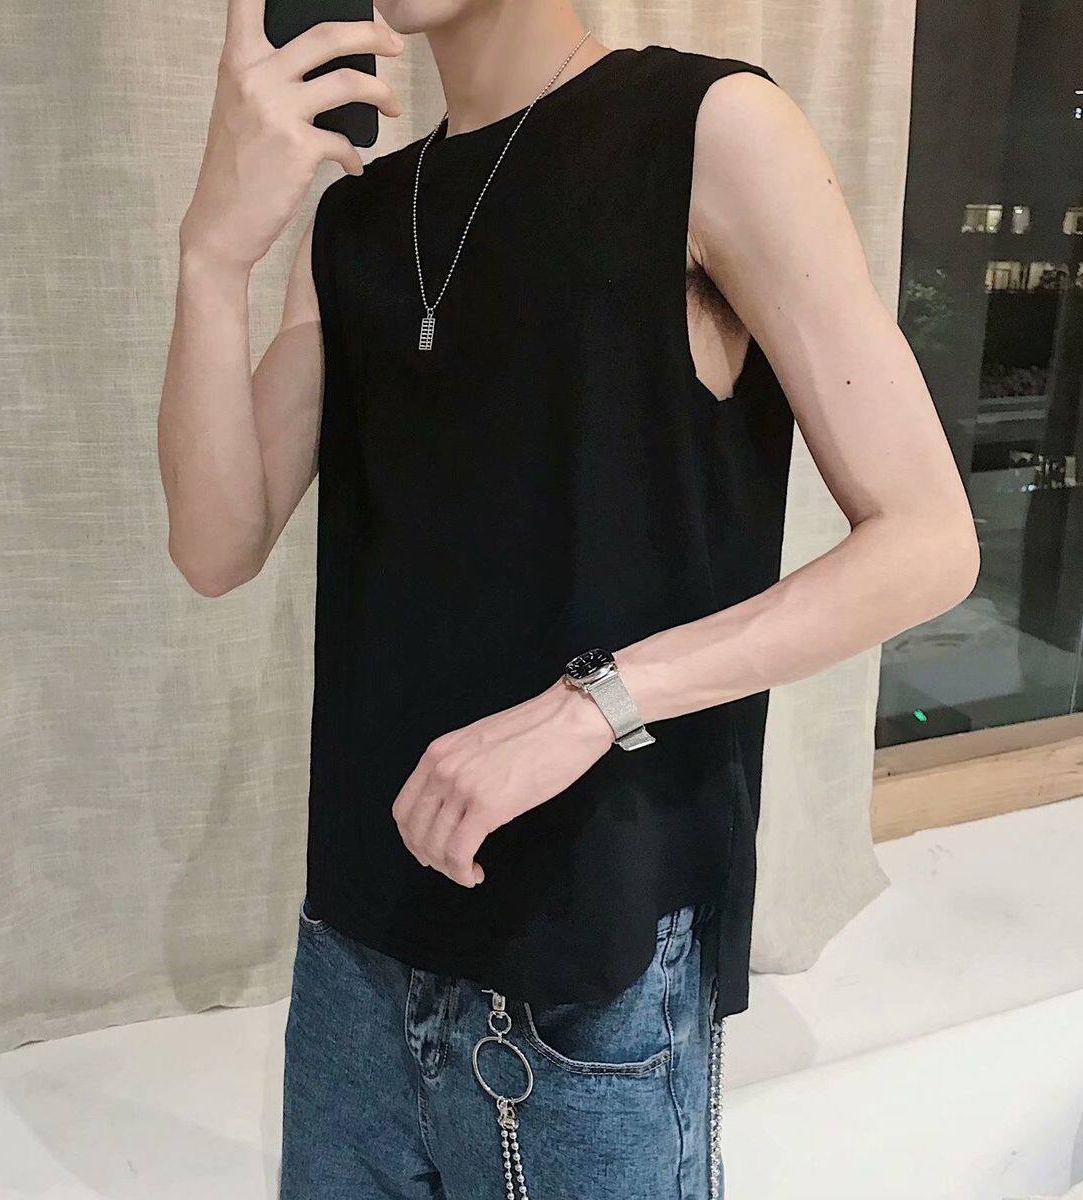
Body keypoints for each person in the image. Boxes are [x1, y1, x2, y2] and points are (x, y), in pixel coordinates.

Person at [157, 1, 979, 1196]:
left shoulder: (706, 132)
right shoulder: (361, 215)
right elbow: (214, 543)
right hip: (354, 964)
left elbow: (928, 541)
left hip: (587, 986)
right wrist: (212, 254)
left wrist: (594, 703)